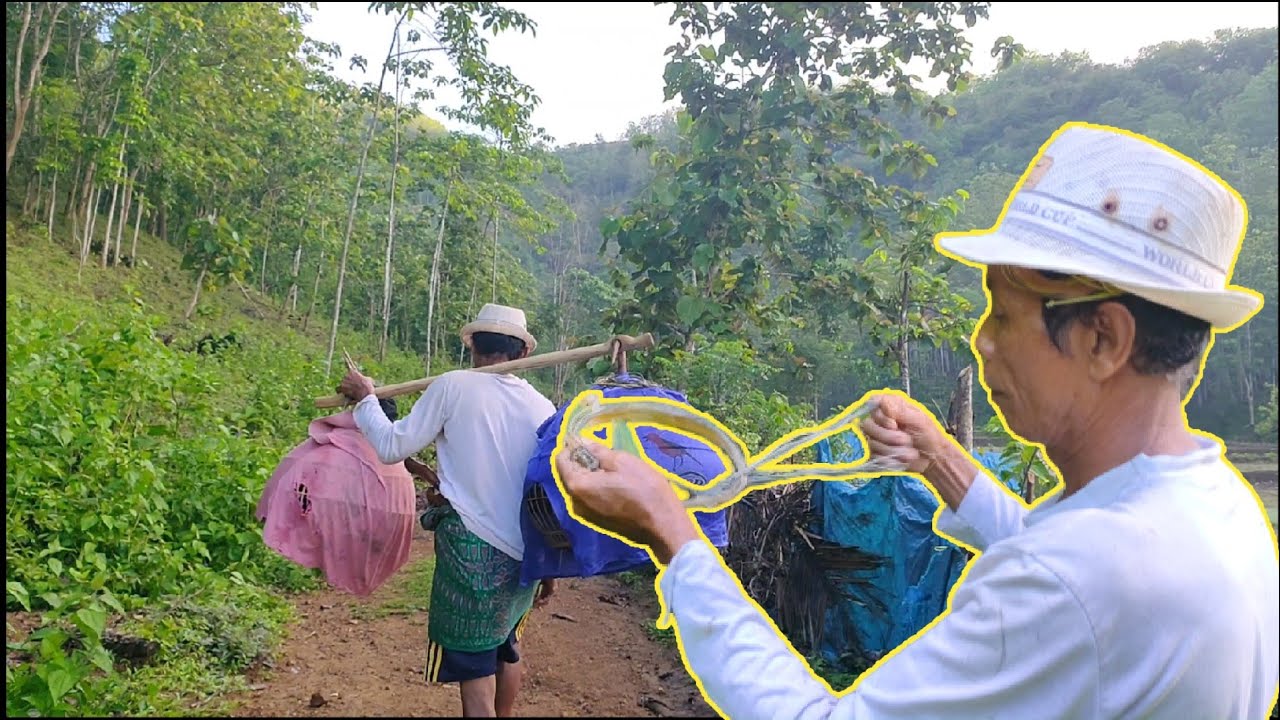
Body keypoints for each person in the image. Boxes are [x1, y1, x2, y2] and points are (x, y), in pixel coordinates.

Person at [553, 122, 1279, 719]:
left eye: (1003, 310)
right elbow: (1053, 551)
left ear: (1104, 340)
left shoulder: (1084, 577)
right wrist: (938, 457)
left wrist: (673, 534)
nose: (982, 340)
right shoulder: (1212, 508)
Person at [338, 303, 558, 718]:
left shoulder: (452, 385)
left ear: (472, 344)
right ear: (522, 353)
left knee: (475, 672)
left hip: (471, 553)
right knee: (506, 649)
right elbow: (543, 492)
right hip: (523, 556)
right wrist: (546, 565)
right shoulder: (542, 407)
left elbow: (390, 446)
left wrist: (367, 398)